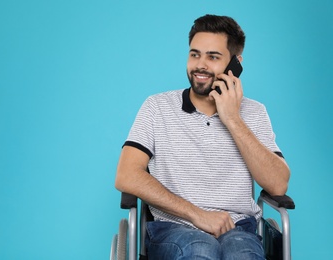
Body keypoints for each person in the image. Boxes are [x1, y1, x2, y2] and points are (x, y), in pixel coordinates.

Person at [115, 14, 290, 259]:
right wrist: (198, 215)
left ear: (235, 64)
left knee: (242, 255)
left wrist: (232, 119)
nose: (200, 65)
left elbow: (278, 184)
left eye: (213, 57)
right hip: (173, 228)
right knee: (200, 249)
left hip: (239, 229)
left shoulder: (254, 112)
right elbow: (126, 175)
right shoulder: (157, 107)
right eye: (195, 54)